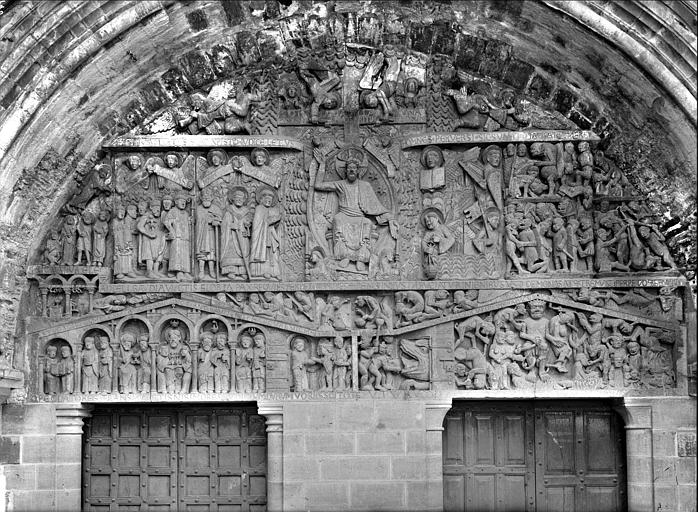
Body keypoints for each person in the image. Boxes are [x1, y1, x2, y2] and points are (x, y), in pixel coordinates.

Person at [313, 148, 397, 271]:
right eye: (349, 168)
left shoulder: (365, 186)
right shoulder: (340, 184)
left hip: (359, 216)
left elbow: (375, 206)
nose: (352, 170)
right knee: (338, 219)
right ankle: (344, 257)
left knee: (367, 223)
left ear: (358, 171)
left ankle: (361, 259)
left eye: (354, 168)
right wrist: (322, 165)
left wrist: (388, 217)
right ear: (345, 171)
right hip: (344, 215)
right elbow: (318, 185)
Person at [250, 186, 282, 280]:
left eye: (270, 200)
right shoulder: (259, 208)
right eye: (266, 199)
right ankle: (261, 272)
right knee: (263, 253)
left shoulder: (271, 210)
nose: (268, 201)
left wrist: (276, 221)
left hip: (270, 235)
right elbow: (258, 223)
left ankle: (274, 272)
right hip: (261, 237)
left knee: (272, 254)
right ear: (261, 199)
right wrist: (272, 220)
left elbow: (273, 224)